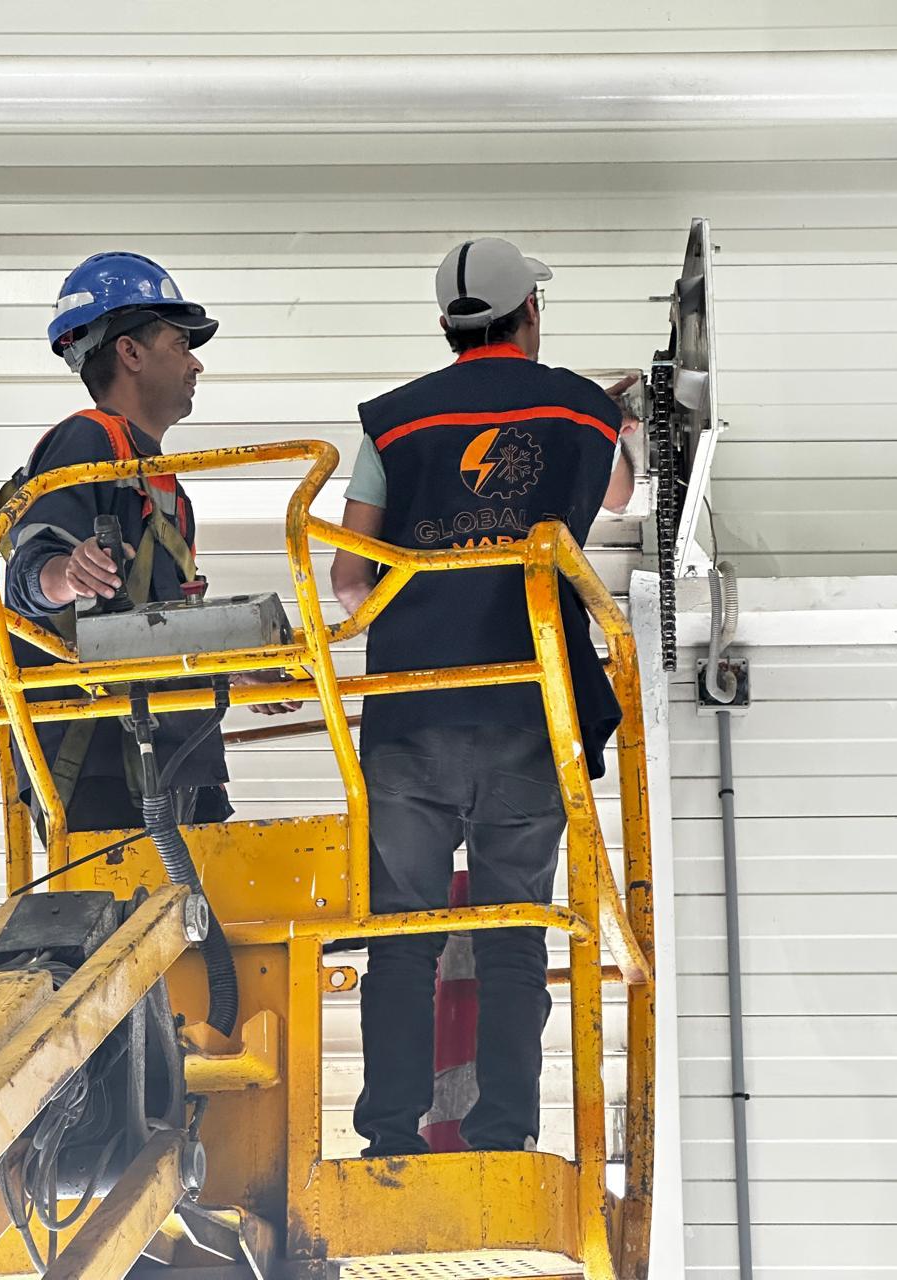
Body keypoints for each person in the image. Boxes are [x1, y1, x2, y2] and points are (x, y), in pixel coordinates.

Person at [330, 236, 639, 1157]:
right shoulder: (582, 409)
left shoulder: (394, 422)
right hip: (530, 720)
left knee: (404, 937)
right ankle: (504, 1133)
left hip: (411, 718)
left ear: (446, 328)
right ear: (530, 315)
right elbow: (620, 499)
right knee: (513, 936)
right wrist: (605, 416)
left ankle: (387, 1137)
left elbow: (350, 583)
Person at [4, 251, 289, 839]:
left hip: (173, 759)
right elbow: (29, 574)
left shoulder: (162, 481)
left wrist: (236, 672)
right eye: (180, 345)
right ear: (129, 352)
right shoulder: (87, 440)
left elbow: (152, 626)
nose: (196, 364)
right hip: (101, 768)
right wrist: (67, 573)